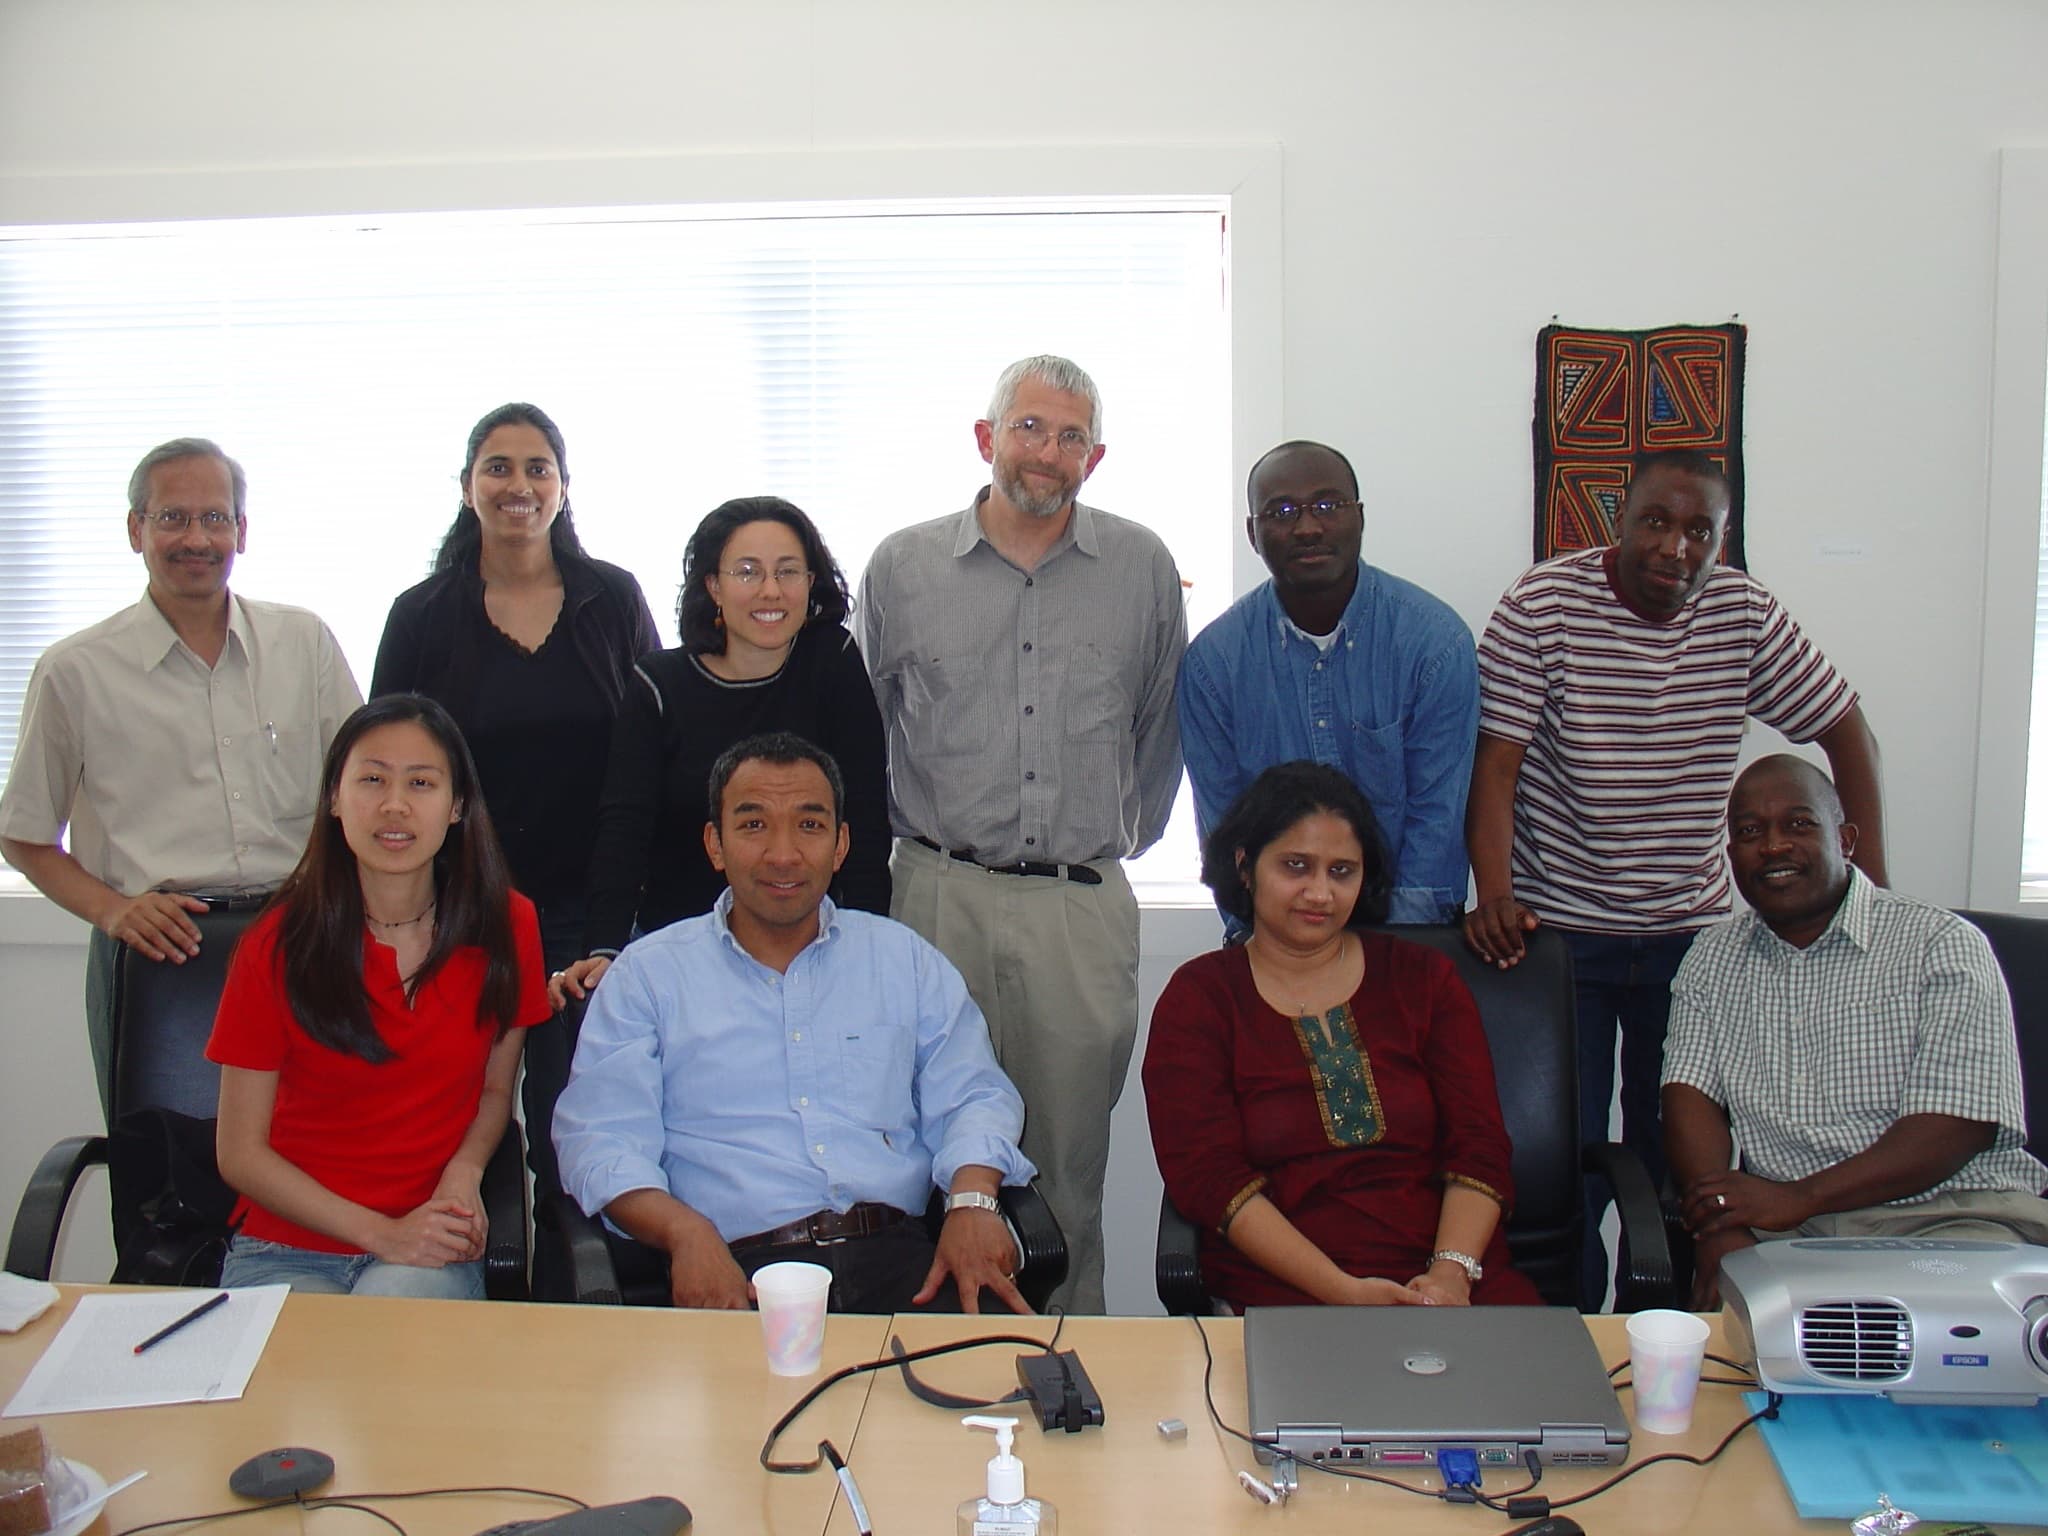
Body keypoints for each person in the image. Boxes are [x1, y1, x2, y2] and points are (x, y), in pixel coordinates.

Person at [1463, 448, 1886, 1305]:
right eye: (1657, 521)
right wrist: (1496, 894)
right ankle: (1569, 1334)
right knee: (1562, 1158)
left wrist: (1869, 888)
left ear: (1723, 541)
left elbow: (1847, 729)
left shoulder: (1742, 612)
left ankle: (1661, 1332)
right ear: (1617, 521)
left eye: (1701, 531)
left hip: (1692, 942)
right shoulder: (1542, 605)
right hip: (1560, 937)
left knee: (1680, 1163)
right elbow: (1496, 765)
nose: (1676, 547)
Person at [857, 354, 1187, 1314]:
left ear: (1097, 453)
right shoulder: (904, 567)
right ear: (985, 437)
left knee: (1067, 1170)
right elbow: (866, 726)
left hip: (1077, 911)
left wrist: (1103, 845)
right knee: (922, 1154)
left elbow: (1159, 730)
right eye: (1030, 428)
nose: (1048, 453)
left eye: (1071, 435)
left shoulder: (1141, 566)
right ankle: (928, 1357)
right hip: (935, 898)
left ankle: (1072, 1367)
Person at [552, 732, 1035, 1315]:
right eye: (754, 825)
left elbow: (975, 1094)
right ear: (715, 844)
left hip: (902, 1264)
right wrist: (684, 1235)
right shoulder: (648, 976)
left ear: (840, 845)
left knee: (1006, 1393)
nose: (783, 854)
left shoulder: (902, 959)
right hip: (736, 1272)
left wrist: (973, 1201)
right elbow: (600, 1142)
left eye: (809, 826)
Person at [0, 437, 360, 1119]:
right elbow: (23, 836)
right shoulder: (75, 671)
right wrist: (113, 910)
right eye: (173, 518)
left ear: (242, 532)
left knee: (320, 1153)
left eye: (215, 518)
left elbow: (362, 792)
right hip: (160, 958)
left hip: (299, 943)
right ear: (136, 529)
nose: (197, 537)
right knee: (165, 1177)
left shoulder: (303, 643)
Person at [371, 403, 659, 1211]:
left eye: (538, 468)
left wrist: (621, 918)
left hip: (588, 917)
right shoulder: (421, 613)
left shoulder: (612, 598)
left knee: (577, 1134)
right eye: (498, 467)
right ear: (467, 487)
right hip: (461, 912)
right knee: (455, 1133)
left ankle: (569, 1308)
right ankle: (467, 1299)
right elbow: (385, 771)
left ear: (565, 488)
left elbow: (652, 755)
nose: (518, 485)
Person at [1144, 761, 1539, 1310]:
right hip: (1288, 1291)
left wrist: (1450, 1273)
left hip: (1450, 1284)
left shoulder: (1422, 979)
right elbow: (1209, 1178)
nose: (1319, 893)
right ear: (1244, 865)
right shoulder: (1200, 998)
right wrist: (1343, 1293)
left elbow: (1479, 1144)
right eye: (1296, 866)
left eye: (1341, 871)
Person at [1663, 755, 2048, 1308]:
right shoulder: (1712, 957)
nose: (1773, 846)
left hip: (1951, 1220)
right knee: (1749, 1361)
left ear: (1844, 840)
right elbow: (1688, 1094)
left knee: (1959, 1350)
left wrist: (1799, 1196)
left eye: (1798, 824)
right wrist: (1720, 1223)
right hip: (1791, 1238)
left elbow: (1958, 1128)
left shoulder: (1939, 943)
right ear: (1730, 857)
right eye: (1750, 832)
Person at [206, 695, 548, 1296]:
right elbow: (240, 1153)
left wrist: (464, 1173)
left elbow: (497, 1089)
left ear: (457, 805)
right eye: (371, 780)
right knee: (293, 1389)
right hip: (287, 1246)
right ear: (335, 799)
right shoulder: (275, 943)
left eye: (421, 782)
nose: (395, 805)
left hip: (428, 1241)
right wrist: (381, 1233)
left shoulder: (507, 925)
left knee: (394, 1363)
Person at [550, 496, 889, 1007]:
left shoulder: (831, 660)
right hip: (681, 952)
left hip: (810, 947)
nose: (771, 590)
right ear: (713, 585)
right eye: (748, 572)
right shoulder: (658, 684)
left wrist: (866, 945)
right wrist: (606, 947)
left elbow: (862, 815)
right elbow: (625, 826)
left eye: (789, 571)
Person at [1178, 439, 1476, 926]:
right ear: (1253, 534)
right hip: (1274, 938)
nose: (1308, 527)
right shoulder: (1214, 665)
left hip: (1409, 934)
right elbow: (1225, 829)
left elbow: (1437, 818)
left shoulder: (1434, 644)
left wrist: (1394, 958)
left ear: (1359, 517)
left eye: (1327, 505)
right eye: (1283, 511)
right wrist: (1261, 943)